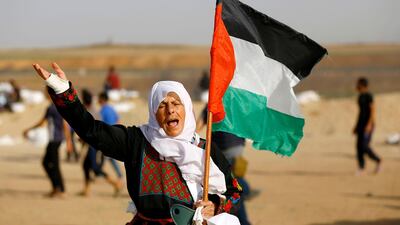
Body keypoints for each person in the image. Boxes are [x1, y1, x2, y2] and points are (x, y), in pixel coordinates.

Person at [32, 63, 241, 224]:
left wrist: (215, 205)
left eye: (176, 104)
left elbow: (234, 190)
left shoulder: (204, 149)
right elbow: (91, 130)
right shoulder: (136, 141)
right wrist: (63, 93)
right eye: (162, 105)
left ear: (187, 108)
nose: (170, 110)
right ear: (153, 112)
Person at [197, 104, 254, 225]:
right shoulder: (235, 101)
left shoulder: (213, 102)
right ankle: (246, 191)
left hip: (222, 150)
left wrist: (192, 134)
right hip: (236, 146)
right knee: (234, 184)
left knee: (233, 186)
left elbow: (200, 122)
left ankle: (246, 191)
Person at [23, 90, 73, 198]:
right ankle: (57, 188)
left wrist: (69, 142)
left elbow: (64, 124)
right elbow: (44, 123)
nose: (45, 94)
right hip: (54, 140)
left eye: (46, 92)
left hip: (55, 139)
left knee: (52, 165)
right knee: (47, 163)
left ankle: (60, 190)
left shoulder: (53, 108)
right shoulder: (54, 106)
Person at [79, 89, 121, 196]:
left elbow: (93, 128)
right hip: (103, 139)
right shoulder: (100, 110)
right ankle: (86, 189)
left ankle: (115, 183)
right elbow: (118, 120)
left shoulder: (92, 112)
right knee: (86, 165)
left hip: (96, 142)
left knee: (95, 168)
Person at [353, 77, 382, 175]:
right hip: (361, 125)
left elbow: (373, 110)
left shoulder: (369, 96)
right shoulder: (360, 97)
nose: (356, 86)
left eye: (358, 84)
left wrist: (369, 124)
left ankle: (378, 160)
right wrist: (356, 126)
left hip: (368, 125)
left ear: (362, 85)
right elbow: (361, 112)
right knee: (358, 147)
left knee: (364, 146)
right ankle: (361, 168)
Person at [98, 92, 124, 189]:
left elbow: (100, 125)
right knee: (111, 158)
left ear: (102, 99)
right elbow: (118, 120)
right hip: (115, 134)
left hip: (107, 137)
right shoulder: (112, 109)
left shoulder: (102, 111)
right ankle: (119, 175)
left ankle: (99, 172)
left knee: (106, 157)